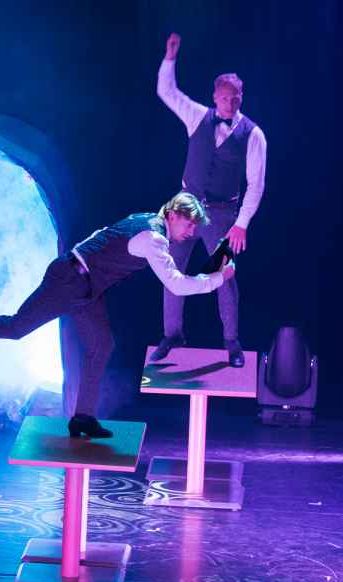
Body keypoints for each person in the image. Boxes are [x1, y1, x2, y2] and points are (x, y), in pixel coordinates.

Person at [0, 192, 235, 438]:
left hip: (86, 287)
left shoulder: (143, 219)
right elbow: (176, 284)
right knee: (16, 328)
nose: (191, 232)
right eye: (189, 224)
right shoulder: (153, 238)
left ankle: (82, 417)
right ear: (173, 214)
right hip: (69, 282)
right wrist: (218, 279)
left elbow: (100, 236)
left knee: (102, 345)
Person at [152, 33, 268, 367]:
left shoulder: (253, 135)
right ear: (215, 96)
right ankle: (172, 334)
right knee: (171, 269)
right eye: (225, 97)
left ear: (241, 98)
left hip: (222, 213)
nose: (229, 103)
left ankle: (231, 342)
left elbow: (256, 184)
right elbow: (167, 92)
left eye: (235, 98)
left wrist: (241, 224)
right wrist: (170, 58)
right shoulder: (197, 116)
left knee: (224, 277)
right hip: (185, 210)